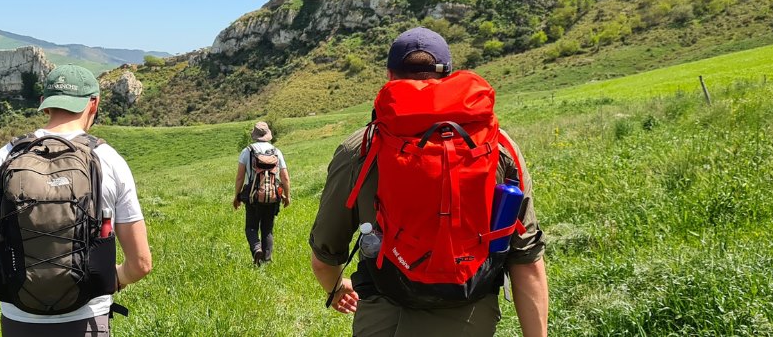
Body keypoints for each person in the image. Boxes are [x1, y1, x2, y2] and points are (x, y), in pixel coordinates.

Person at [308, 28, 548, 337]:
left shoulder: (361, 148)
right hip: (468, 314)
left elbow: (324, 257)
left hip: (384, 311)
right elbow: (526, 259)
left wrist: (337, 289)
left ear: (389, 75)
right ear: (449, 74)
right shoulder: (498, 147)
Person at [0, 65, 153, 337]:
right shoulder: (110, 161)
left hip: (19, 318)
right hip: (87, 319)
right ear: (94, 104)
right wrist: (109, 280)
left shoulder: (0, 160)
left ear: (45, 104)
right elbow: (141, 263)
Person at [233, 121, 292, 265]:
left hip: (253, 196)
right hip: (272, 196)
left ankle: (256, 249)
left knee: (251, 227)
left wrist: (237, 196)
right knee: (267, 229)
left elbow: (240, 176)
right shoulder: (276, 152)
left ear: (255, 135)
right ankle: (266, 261)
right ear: (267, 135)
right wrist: (287, 196)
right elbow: (284, 177)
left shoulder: (248, 151)